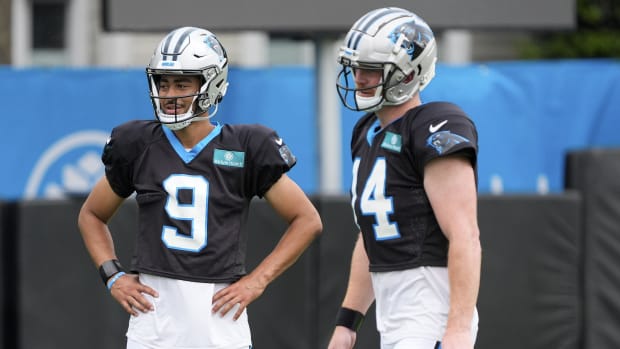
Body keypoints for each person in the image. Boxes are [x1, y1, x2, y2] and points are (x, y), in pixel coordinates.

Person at [78, 26, 322, 349]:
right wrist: (113, 276)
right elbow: (91, 215)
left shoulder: (246, 147)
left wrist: (257, 280)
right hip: (154, 321)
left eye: (181, 83)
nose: (168, 94)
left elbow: (307, 220)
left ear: (211, 84)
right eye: (163, 83)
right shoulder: (137, 144)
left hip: (218, 320)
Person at [328, 7, 481, 349]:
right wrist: (348, 321)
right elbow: (373, 233)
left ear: (410, 72)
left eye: (371, 69)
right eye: (356, 68)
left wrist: (457, 328)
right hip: (395, 309)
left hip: (430, 302)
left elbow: (465, 235)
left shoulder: (437, 124)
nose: (359, 78)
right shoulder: (367, 132)